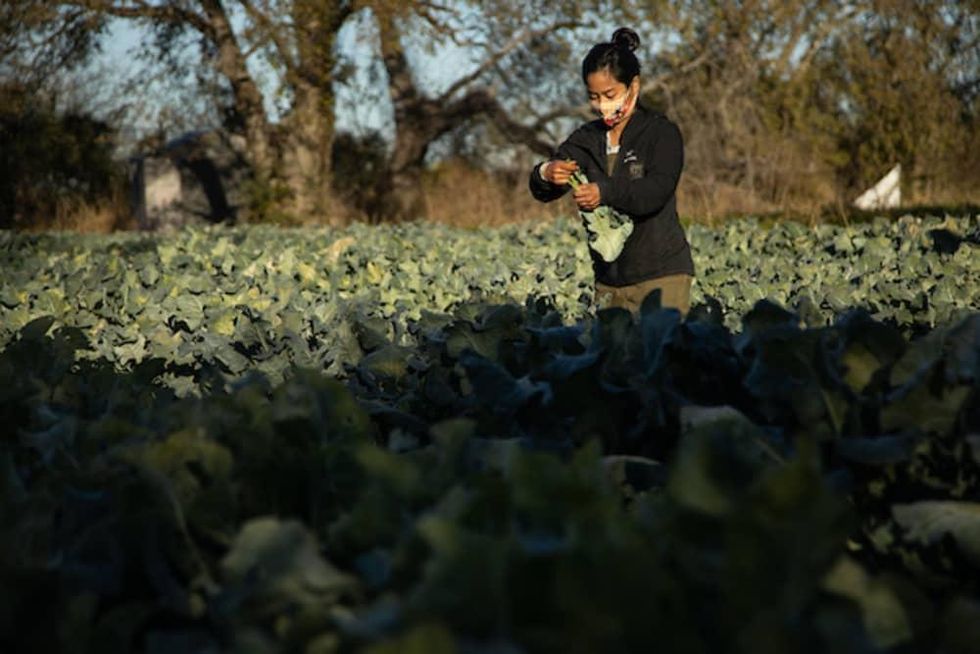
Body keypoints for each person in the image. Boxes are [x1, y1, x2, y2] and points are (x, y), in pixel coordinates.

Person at [529, 27, 695, 316]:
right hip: (609, 282)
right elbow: (543, 187)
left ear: (634, 85)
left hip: (661, 277)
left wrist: (603, 192)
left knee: (660, 359)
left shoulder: (660, 133)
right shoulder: (587, 138)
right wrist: (547, 172)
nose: (603, 106)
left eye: (610, 94)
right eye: (594, 97)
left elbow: (654, 191)